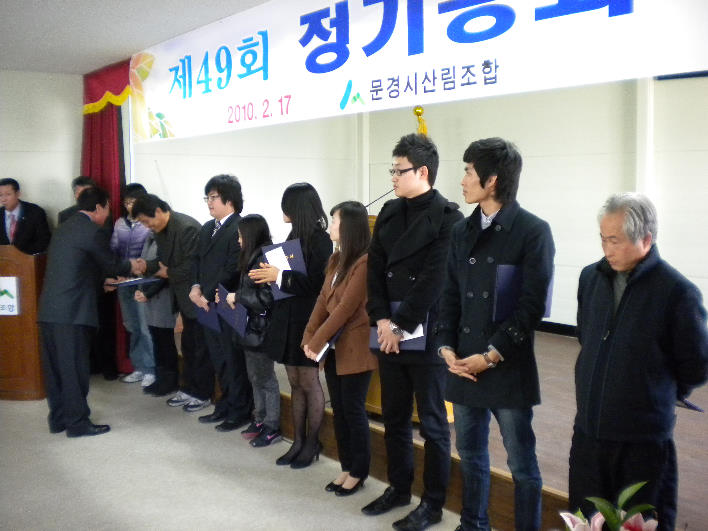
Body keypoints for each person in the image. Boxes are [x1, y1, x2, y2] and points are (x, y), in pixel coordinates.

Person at [436, 138, 555, 531]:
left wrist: (490, 356)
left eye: (468, 172)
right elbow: (450, 294)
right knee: (470, 454)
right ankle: (473, 524)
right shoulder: (461, 230)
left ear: (492, 181)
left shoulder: (533, 231)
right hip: (464, 363)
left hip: (505, 363)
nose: (462, 180)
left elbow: (531, 308)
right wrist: (446, 346)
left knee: (522, 464)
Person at [570, 193, 708, 531]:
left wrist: (652, 389)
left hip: (642, 445)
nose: (607, 249)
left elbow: (696, 366)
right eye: (603, 239)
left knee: (641, 521)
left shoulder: (677, 292)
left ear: (645, 239)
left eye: (615, 240)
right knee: (587, 520)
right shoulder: (590, 278)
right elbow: (586, 336)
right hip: (588, 435)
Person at [363, 133, 463, 531]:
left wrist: (399, 324)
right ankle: (398, 487)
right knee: (394, 416)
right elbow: (374, 268)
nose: (392, 176)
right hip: (387, 328)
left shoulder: (448, 218)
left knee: (434, 424)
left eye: (398, 170)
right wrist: (381, 319)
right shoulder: (389, 212)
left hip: (426, 333)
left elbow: (434, 280)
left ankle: (432, 504)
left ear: (422, 172)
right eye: (392, 169)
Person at [37, 186, 140, 437]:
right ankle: (77, 423)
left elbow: (75, 267)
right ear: (98, 207)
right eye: (107, 209)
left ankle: (59, 419)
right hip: (72, 313)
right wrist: (135, 265)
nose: (108, 214)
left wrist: (100, 282)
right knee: (74, 369)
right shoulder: (92, 231)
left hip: (49, 310)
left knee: (56, 370)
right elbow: (111, 264)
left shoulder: (63, 228)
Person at [249, 182, 332, 468]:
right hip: (287, 317)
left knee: (309, 381)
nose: (283, 211)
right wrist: (270, 276)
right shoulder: (293, 235)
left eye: (286, 205)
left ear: (297, 208)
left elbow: (318, 285)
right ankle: (297, 440)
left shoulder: (321, 240)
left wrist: (279, 276)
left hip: (307, 319)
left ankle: (312, 442)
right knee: (295, 382)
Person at [303, 201, 378, 496]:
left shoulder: (365, 262)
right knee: (340, 410)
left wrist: (317, 341)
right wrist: (309, 336)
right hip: (334, 348)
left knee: (353, 410)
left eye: (334, 220)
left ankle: (359, 471)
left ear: (349, 226)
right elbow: (322, 301)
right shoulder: (336, 260)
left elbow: (345, 309)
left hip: (355, 347)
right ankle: (346, 467)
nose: (331, 225)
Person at [131, 194, 210, 413]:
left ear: (157, 211)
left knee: (200, 348)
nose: (147, 226)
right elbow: (162, 263)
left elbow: (193, 266)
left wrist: (168, 272)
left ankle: (202, 393)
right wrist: (145, 265)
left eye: (146, 221)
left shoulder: (186, 228)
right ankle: (189, 388)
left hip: (197, 296)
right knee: (188, 345)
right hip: (182, 297)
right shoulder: (161, 231)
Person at [189, 174, 253, 429]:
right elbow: (196, 260)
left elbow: (232, 268)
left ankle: (240, 410)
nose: (209, 202)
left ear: (230, 200)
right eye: (207, 197)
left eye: (213, 197)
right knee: (217, 358)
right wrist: (195, 287)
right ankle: (224, 405)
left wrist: (206, 292)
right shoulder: (207, 227)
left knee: (232, 359)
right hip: (205, 302)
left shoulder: (240, 227)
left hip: (228, 302)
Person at [219, 214, 281, 447]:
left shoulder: (265, 258)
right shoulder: (251, 257)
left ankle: (272, 425)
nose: (238, 240)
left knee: (266, 379)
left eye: (240, 235)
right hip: (249, 327)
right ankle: (259, 418)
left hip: (262, 328)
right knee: (255, 377)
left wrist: (238, 296)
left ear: (251, 235)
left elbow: (267, 299)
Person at [108, 183, 154, 387]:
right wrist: (115, 274)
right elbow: (113, 250)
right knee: (132, 326)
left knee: (145, 327)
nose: (129, 206)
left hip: (144, 282)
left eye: (133, 202)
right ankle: (139, 367)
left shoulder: (149, 223)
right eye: (126, 203)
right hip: (124, 282)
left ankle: (151, 369)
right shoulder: (119, 223)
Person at [134, 231, 179, 397]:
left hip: (163, 298)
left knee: (165, 340)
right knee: (156, 339)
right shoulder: (149, 239)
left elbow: (165, 274)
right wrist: (140, 290)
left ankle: (170, 381)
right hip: (149, 299)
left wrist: (148, 293)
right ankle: (160, 378)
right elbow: (144, 268)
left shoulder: (166, 240)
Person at [0, 177, 51, 254]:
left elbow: (44, 240)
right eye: (0, 195)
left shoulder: (35, 212)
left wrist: (21, 255)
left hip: (29, 258)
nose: (3, 199)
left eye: (8, 194)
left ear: (18, 194)